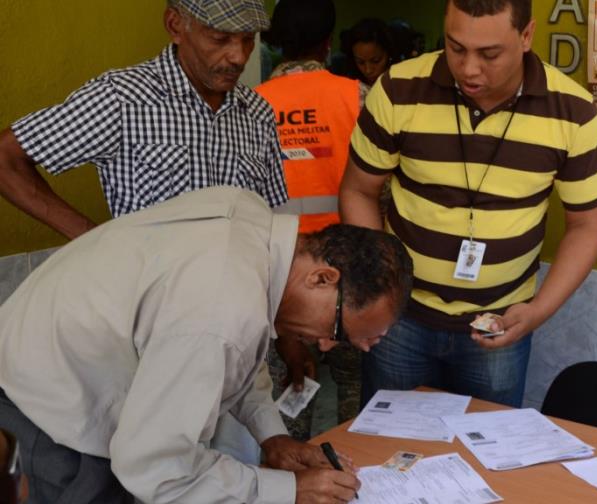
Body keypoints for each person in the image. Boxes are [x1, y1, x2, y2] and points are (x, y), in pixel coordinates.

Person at [0, 186, 413, 503]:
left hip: (49, 371)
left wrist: (272, 436)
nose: (324, 345)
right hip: (46, 421)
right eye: (337, 331)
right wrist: (287, 491)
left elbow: (236, 353)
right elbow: (156, 465)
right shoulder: (221, 309)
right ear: (323, 279)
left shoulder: (254, 229)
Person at [340, 0, 597, 408]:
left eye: (489, 54)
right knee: (388, 454)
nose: (468, 69)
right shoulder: (398, 88)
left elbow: (587, 225)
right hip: (400, 320)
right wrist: (380, 287)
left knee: (487, 459)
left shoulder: (573, 111)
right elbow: (358, 190)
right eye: (455, 47)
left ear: (525, 36)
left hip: (499, 325)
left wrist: (536, 312)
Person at [0, 0, 287, 241]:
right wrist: (95, 241)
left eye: (248, 39)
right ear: (175, 26)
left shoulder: (258, 112)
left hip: (238, 296)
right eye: (220, 38)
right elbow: (5, 158)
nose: (239, 57)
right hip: (152, 300)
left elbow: (271, 218)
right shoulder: (122, 99)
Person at [255, 0, 364, 441]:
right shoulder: (357, 96)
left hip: (276, 278)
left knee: (289, 400)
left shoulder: (249, 104)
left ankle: (293, 480)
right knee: (355, 401)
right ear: (328, 42)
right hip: (349, 274)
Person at [339, 18, 395, 88]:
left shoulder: (402, 84)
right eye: (360, 62)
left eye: (376, 61)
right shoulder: (349, 86)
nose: (368, 70)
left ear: (389, 54)